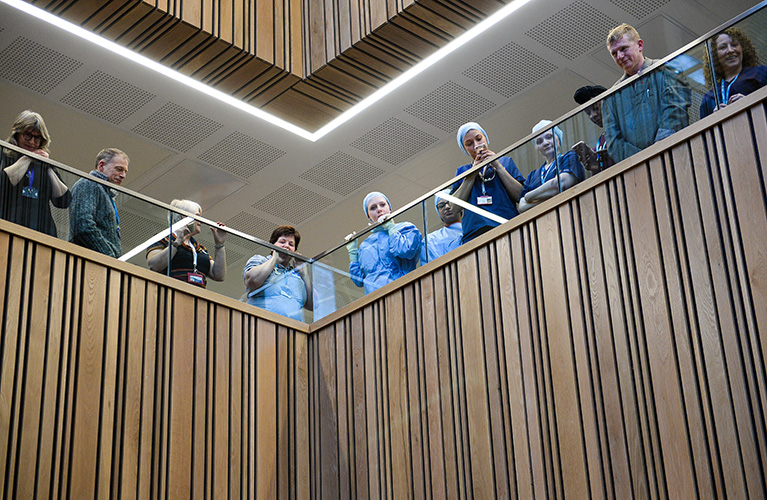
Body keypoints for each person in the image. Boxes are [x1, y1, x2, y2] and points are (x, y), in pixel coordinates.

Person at [602, 24, 690, 164]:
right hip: (637, 170)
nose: (620, 56)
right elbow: (614, 143)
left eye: (624, 48)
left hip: (676, 157)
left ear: (640, 45)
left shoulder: (667, 69)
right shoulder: (611, 97)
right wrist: (643, 160)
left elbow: (675, 110)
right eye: (614, 53)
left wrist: (658, 151)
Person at [451, 122, 525, 243]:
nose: (476, 145)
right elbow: (453, 208)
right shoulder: (463, 172)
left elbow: (520, 196)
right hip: (474, 235)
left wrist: (498, 166)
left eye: (479, 139)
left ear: (486, 138)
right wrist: (472, 173)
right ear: (465, 149)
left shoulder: (505, 162)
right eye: (469, 144)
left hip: (507, 227)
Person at [0, 110, 70, 237]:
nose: (32, 142)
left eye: (37, 138)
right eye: (27, 135)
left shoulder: (42, 164)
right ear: (17, 134)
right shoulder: (5, 155)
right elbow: (3, 183)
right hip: (9, 229)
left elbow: (63, 200)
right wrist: (27, 158)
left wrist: (48, 167)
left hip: (43, 233)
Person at [346, 191, 422, 294]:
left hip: (403, 290)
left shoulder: (406, 228)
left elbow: (405, 251)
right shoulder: (365, 245)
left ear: (390, 208)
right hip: (374, 301)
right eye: (373, 208)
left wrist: (391, 228)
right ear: (369, 216)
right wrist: (353, 253)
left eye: (382, 205)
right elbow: (358, 280)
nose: (379, 209)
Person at [145, 199, 227, 288]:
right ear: (183, 217)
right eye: (197, 216)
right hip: (171, 294)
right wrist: (177, 243)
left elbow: (219, 275)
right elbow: (154, 265)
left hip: (197, 298)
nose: (201, 221)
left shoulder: (200, 249)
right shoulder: (163, 238)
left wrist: (219, 244)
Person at [243, 225, 313, 321]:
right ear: (272, 245)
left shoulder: (297, 275)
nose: (286, 246)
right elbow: (252, 281)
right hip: (260, 323)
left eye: (291, 244)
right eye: (282, 242)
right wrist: (274, 259)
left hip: (293, 329)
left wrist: (303, 274)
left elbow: (314, 305)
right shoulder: (260, 260)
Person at [68, 148, 129, 258]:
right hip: (88, 261)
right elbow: (83, 226)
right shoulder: (88, 184)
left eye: (125, 171)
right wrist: (109, 256)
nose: (123, 175)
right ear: (101, 166)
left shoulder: (104, 192)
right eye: (119, 169)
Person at [519, 120, 586, 213]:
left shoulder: (569, 157)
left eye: (549, 137)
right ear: (536, 147)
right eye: (539, 141)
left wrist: (529, 197)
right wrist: (550, 198)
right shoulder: (532, 176)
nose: (545, 143)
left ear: (558, 138)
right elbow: (521, 206)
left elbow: (561, 184)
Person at [700, 28, 767, 118]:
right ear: (714, 56)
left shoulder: (760, 72)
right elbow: (705, 130)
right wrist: (714, 119)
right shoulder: (709, 97)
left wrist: (751, 104)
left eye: (734, 45)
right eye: (723, 47)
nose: (730, 50)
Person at [571, 85, 614, 173]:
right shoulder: (600, 142)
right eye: (588, 113)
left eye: (596, 108)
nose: (592, 115)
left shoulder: (626, 127)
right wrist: (593, 165)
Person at [421, 189, 463, 264]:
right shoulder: (431, 240)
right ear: (438, 211)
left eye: (450, 202)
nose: (447, 207)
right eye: (442, 206)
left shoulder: (473, 228)